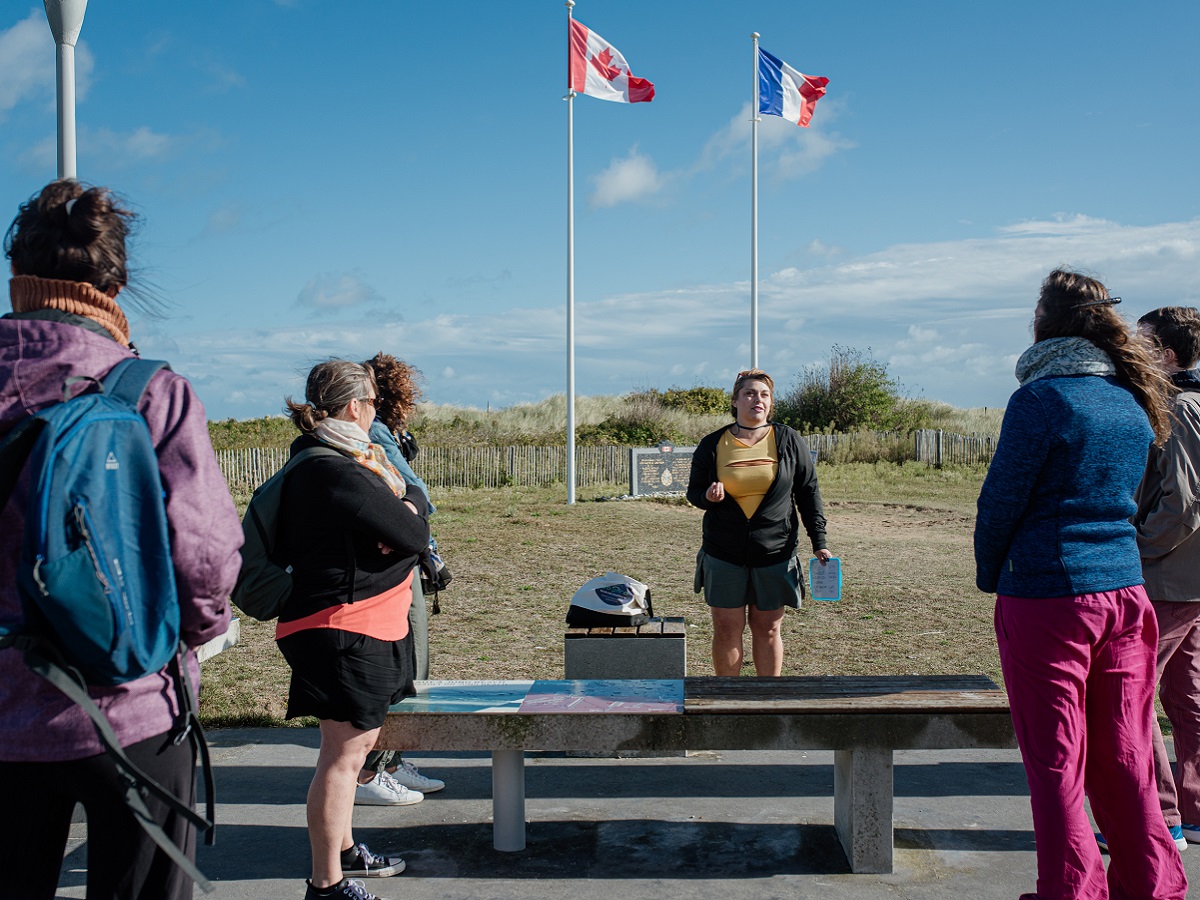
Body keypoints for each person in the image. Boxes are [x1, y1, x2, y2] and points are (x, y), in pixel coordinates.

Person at [0, 180, 243, 899]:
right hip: (132, 705)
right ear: (115, 285)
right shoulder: (150, 391)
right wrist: (190, 637)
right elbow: (204, 556)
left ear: (17, 273)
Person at [974, 268, 1188, 899]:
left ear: (1045, 321)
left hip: (1049, 598)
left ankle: (1071, 891)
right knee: (1126, 755)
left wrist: (991, 574)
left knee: (1056, 761)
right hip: (1126, 592)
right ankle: (1153, 887)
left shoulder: (1040, 399)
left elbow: (1000, 503)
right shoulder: (1132, 396)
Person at [277, 359, 430, 900]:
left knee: (350, 750)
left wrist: (404, 515)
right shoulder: (336, 470)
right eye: (372, 402)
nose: (375, 411)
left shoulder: (334, 460)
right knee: (343, 757)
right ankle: (326, 885)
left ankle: (343, 853)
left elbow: (407, 523)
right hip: (343, 628)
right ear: (353, 405)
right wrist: (406, 516)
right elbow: (414, 533)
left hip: (348, 624)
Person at [687, 369, 830, 676]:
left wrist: (819, 541)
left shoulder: (788, 439)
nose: (758, 399)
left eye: (764, 394)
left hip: (775, 552)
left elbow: (808, 492)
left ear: (771, 402)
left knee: (768, 629)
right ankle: (729, 697)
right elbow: (693, 492)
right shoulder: (713, 444)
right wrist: (707, 497)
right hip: (724, 551)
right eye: (750, 393)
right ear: (735, 401)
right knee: (726, 627)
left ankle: (769, 697)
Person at [352, 351, 445, 804]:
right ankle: (370, 771)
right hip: (392, 565)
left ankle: (388, 762)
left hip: (397, 557)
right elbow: (416, 491)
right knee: (407, 663)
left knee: (409, 663)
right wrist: (414, 515)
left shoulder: (381, 433)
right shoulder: (375, 433)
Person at [1134, 306, 1200, 849]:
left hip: (1168, 578)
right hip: (1190, 578)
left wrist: (1135, 550)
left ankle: (1162, 818)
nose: (1130, 348)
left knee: (1132, 695)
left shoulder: (1177, 408)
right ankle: (1194, 811)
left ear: (1167, 355)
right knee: (1187, 696)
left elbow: (1182, 504)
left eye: (1142, 341)